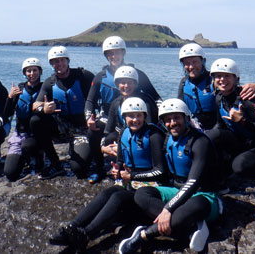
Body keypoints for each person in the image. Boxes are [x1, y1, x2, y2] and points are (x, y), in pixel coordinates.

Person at [48, 97, 166, 252]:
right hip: (130, 183)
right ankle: (73, 227)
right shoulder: (124, 132)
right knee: (107, 193)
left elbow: (160, 171)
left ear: (145, 116)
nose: (135, 120)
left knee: (117, 197)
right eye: (131, 116)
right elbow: (120, 160)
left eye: (139, 115)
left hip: (149, 191)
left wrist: (132, 176)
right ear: (124, 117)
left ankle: (86, 234)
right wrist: (117, 170)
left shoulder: (154, 135)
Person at [119, 99, 223, 254]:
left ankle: (143, 235)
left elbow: (193, 183)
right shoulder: (168, 140)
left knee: (194, 206)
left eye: (176, 118)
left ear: (187, 118)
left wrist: (168, 209)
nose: (172, 123)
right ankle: (191, 226)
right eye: (167, 120)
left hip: (205, 196)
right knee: (141, 194)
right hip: (176, 191)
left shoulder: (200, 142)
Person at [84, 36, 161, 182]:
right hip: (109, 117)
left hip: (133, 118)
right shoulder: (100, 77)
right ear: (106, 56)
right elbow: (90, 100)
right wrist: (89, 117)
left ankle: (140, 166)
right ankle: (100, 168)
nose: (114, 56)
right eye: (110, 53)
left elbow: (156, 98)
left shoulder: (137, 74)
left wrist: (164, 115)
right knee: (93, 132)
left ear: (123, 53)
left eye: (117, 52)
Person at [25, 46, 95, 179]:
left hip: (82, 129)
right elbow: (35, 106)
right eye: (55, 61)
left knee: (79, 170)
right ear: (51, 64)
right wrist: (43, 109)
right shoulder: (50, 83)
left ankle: (81, 148)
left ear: (67, 61)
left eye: (62, 60)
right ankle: (56, 165)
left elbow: (99, 92)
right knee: (36, 120)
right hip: (62, 127)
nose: (59, 64)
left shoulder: (83, 76)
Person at [208, 58, 255, 180]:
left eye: (227, 76)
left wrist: (243, 122)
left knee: (239, 167)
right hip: (239, 142)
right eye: (218, 76)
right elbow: (219, 126)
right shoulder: (219, 98)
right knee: (210, 137)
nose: (222, 80)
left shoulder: (248, 99)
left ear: (235, 78)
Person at [177, 43, 255, 132]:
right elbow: (180, 109)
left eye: (194, 62)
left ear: (203, 61)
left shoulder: (214, 79)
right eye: (187, 63)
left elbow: (235, 90)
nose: (191, 66)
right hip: (196, 126)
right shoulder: (184, 83)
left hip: (217, 128)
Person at [2, 57, 45, 181]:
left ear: (40, 71)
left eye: (35, 70)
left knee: (28, 146)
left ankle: (39, 155)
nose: (32, 74)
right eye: (28, 71)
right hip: (20, 133)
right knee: (10, 173)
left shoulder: (45, 88)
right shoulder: (19, 90)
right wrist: (10, 98)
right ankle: (23, 157)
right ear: (24, 73)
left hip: (38, 134)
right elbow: (7, 114)